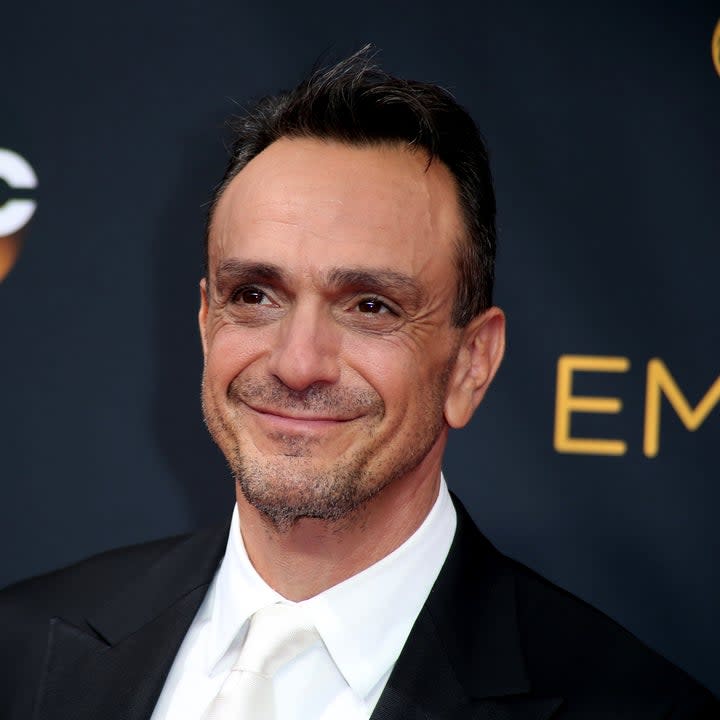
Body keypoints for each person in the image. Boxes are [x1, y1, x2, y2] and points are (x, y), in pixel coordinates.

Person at [0, 49, 717, 720]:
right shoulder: (21, 646)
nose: (296, 362)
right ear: (203, 321)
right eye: (254, 295)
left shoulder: (632, 704)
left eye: (371, 306)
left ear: (472, 363)